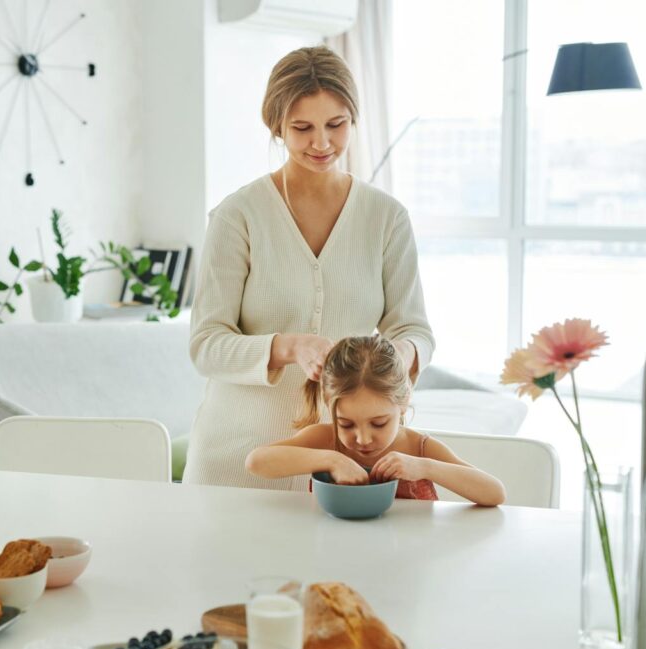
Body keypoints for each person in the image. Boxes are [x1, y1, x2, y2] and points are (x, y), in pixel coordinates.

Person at [185, 45, 435, 490]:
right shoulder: (237, 215)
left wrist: (399, 355)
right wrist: (287, 348)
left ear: (353, 119)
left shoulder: (386, 218)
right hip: (234, 459)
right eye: (302, 128)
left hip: (339, 465)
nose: (321, 143)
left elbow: (414, 328)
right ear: (276, 125)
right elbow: (206, 344)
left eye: (336, 125)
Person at [245, 336, 505, 506]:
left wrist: (426, 468)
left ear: (402, 404)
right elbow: (256, 462)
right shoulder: (325, 441)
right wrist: (332, 459)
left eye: (379, 423)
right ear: (329, 405)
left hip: (409, 558)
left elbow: (494, 493)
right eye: (345, 424)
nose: (363, 439)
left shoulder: (419, 448)